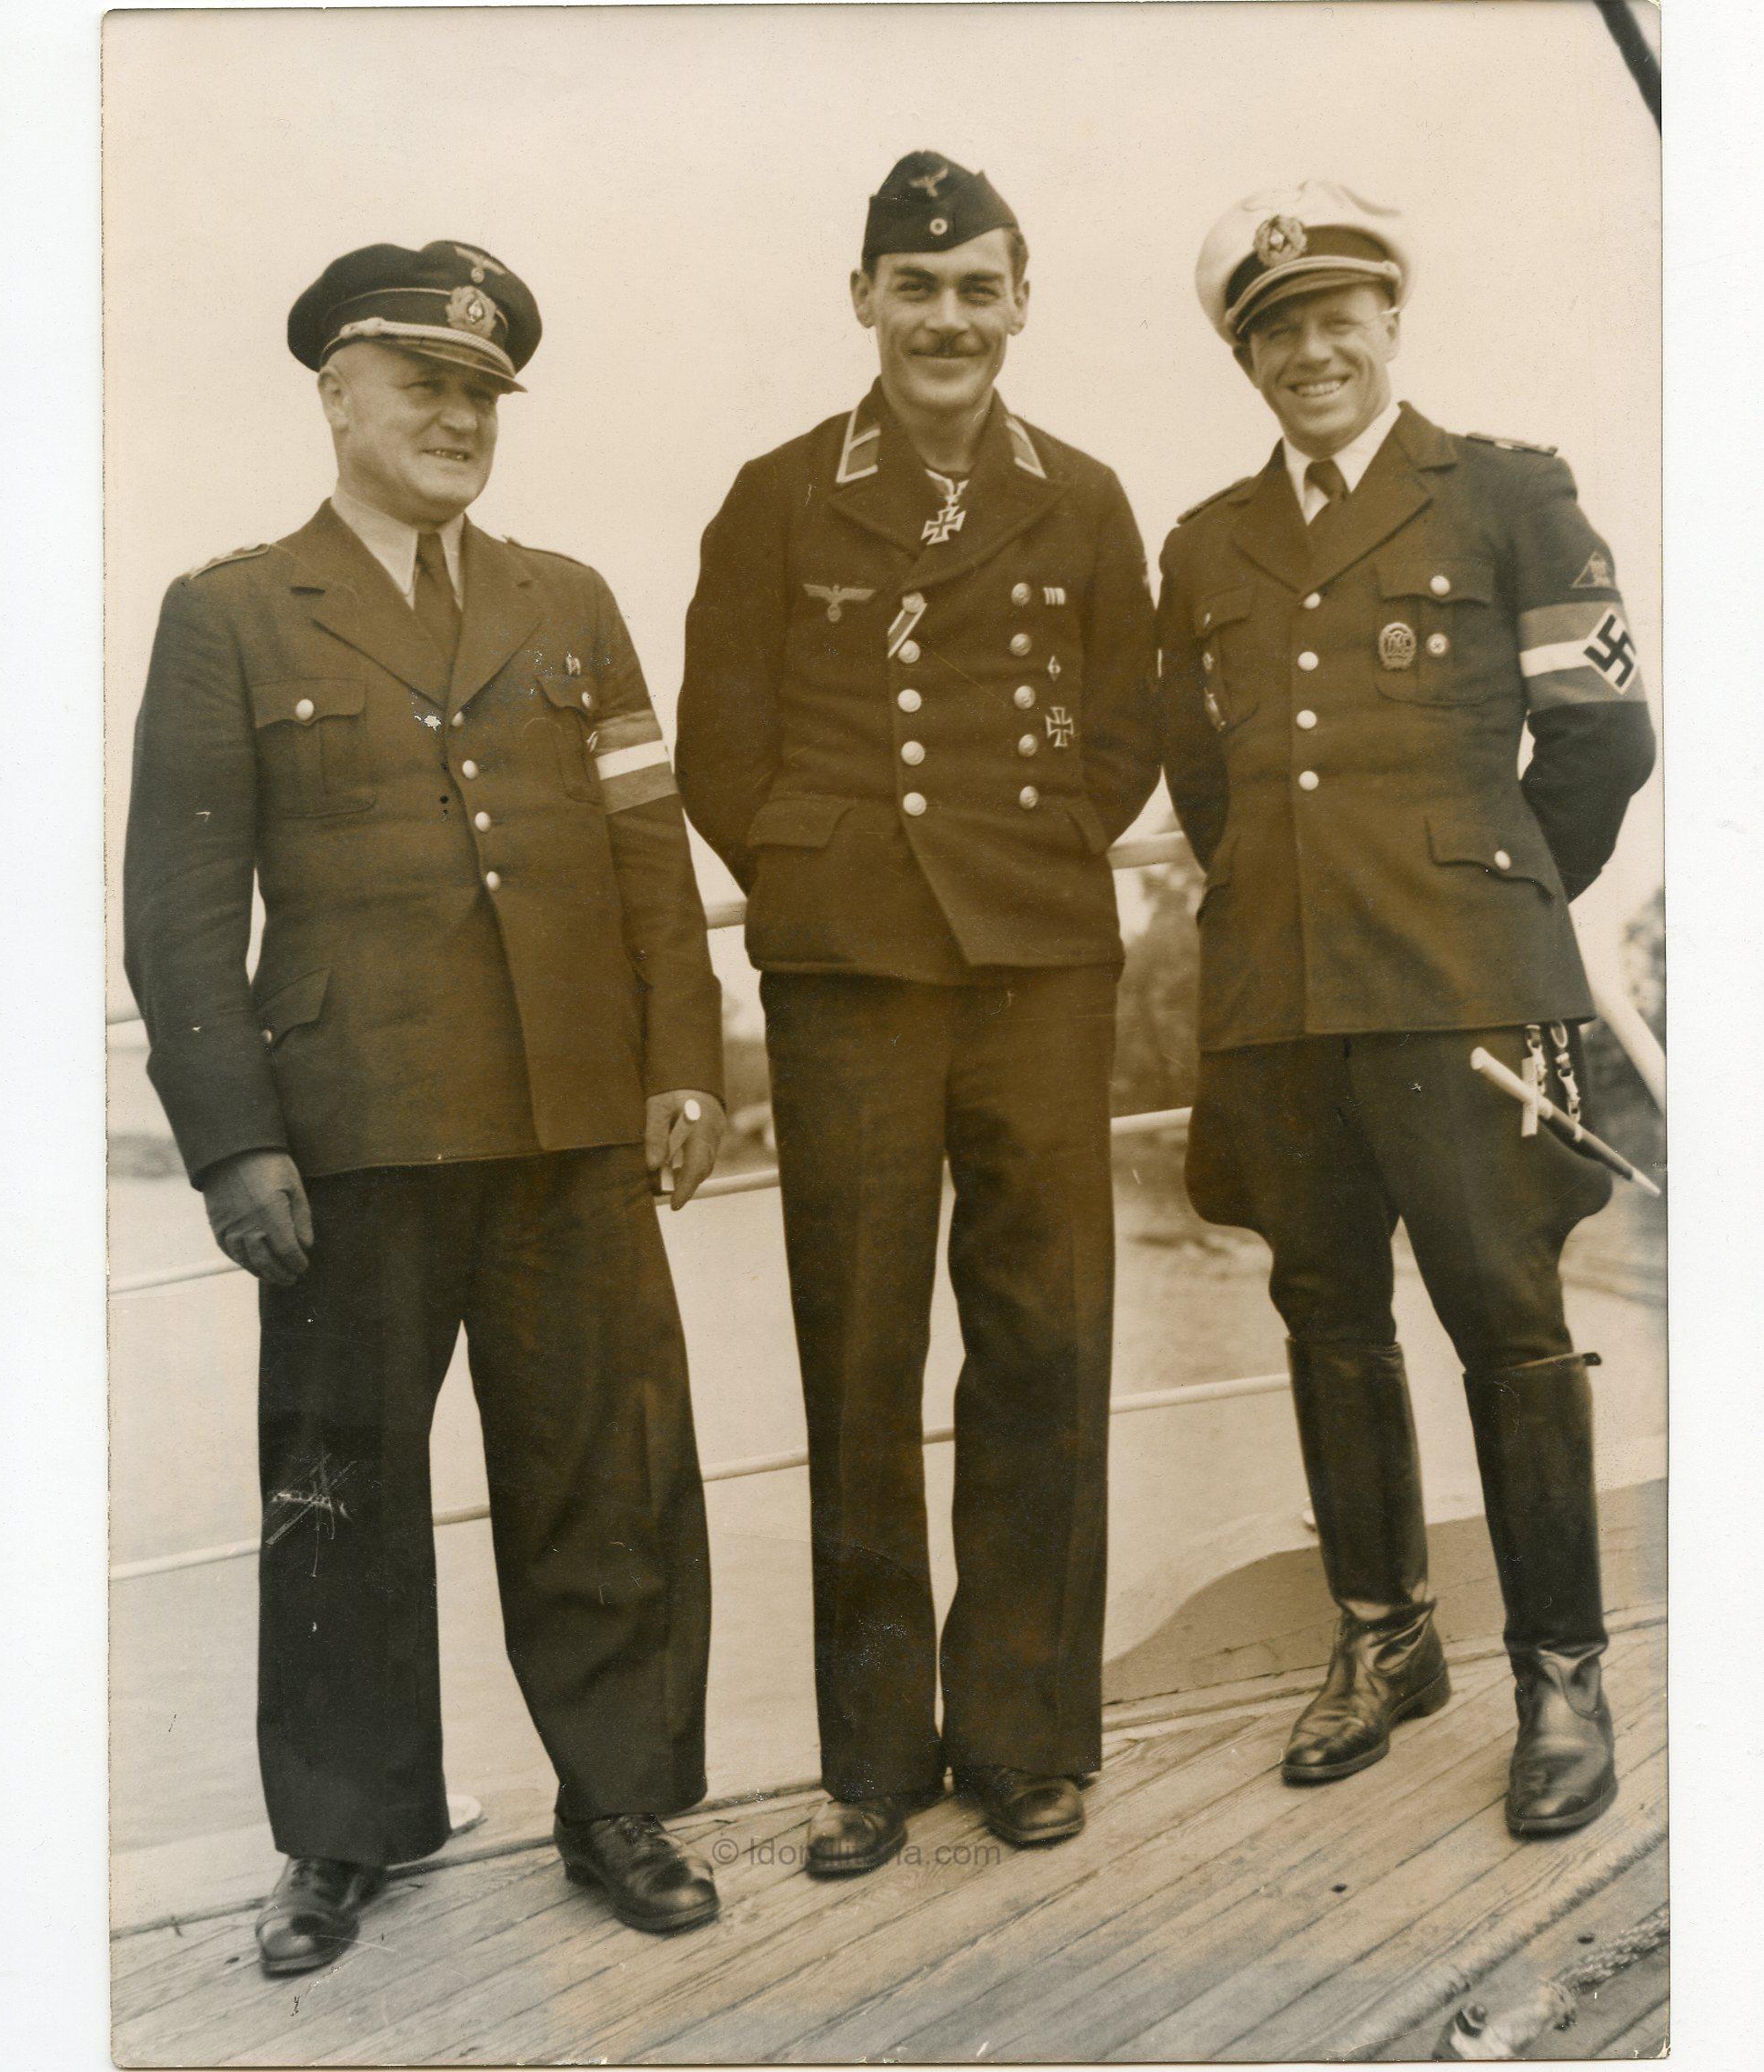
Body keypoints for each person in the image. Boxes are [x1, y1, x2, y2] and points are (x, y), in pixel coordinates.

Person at [124, 240, 728, 1972]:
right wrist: (234, 1141)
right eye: (424, 385)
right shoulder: (232, 613)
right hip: (353, 1136)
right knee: (341, 1491)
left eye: (481, 392)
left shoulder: (570, 601)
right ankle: (341, 1834)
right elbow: (176, 911)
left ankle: (620, 1803)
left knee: (606, 1474)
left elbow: (648, 856)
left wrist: (682, 1061)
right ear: (338, 395)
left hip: (570, 1121)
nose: (459, 416)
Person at [676, 154, 1160, 1874]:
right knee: (860, 1351)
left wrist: (1025, 855)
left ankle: (1024, 1736)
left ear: (1019, 304)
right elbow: (721, 749)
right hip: (851, 977)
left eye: (976, 290)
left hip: (1036, 965)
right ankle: (872, 1758)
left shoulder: (1083, 497)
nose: (945, 320)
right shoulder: (777, 495)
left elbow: (1124, 733)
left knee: (1045, 1343)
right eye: (915, 288)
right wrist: (825, 882)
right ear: (863, 300)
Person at [1155, 184, 1657, 1837]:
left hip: (1461, 989)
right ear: (1244, 357)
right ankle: (1384, 1639)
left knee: (1508, 1322)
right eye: (1274, 331)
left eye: (1333, 318)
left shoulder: (1507, 493)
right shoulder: (1205, 544)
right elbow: (1203, 777)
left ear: (1387, 322)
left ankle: (1560, 1676)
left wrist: (1489, 904)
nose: (1309, 352)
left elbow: (1600, 741)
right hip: (1281, 995)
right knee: (1325, 1315)